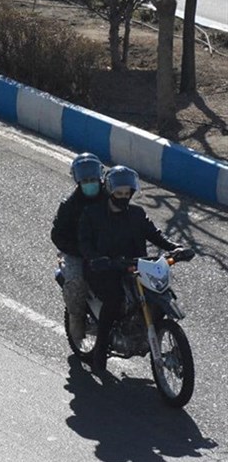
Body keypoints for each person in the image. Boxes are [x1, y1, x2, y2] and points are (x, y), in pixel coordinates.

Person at [78, 165, 183, 373]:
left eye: (127, 194)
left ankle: (152, 335)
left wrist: (174, 247)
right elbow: (85, 243)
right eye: (119, 193)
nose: (123, 197)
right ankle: (99, 353)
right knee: (114, 300)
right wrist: (97, 259)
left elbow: (154, 234)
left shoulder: (136, 214)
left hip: (135, 267)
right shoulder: (92, 214)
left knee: (161, 295)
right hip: (104, 270)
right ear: (110, 191)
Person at [50, 152, 107, 344]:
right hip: (78, 253)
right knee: (76, 283)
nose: (90, 183)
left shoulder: (111, 199)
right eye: (86, 181)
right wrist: (81, 251)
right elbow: (57, 235)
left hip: (108, 249)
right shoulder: (69, 206)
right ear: (78, 181)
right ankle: (77, 321)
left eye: (93, 180)